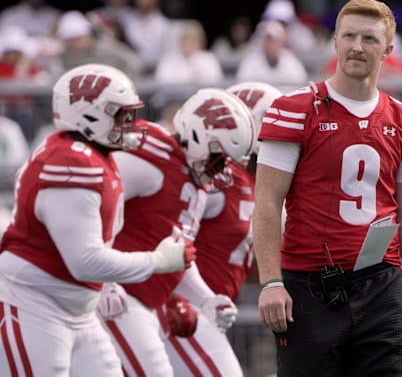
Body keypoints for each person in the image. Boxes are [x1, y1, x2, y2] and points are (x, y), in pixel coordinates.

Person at [252, 0, 402, 376]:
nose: (357, 46)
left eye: (370, 39)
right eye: (349, 36)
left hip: (382, 285)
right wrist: (270, 281)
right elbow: (268, 203)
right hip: (310, 284)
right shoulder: (293, 110)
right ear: (335, 42)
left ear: (388, 49)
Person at [0, 63, 194, 376]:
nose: (130, 124)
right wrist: (156, 261)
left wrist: (109, 284)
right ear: (88, 113)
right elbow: (85, 261)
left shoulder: (96, 156)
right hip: (35, 303)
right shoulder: (71, 161)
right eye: (120, 114)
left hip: (79, 310)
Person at [97, 88, 256, 376]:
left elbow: (178, 256)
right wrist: (104, 281)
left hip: (142, 301)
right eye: (220, 158)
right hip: (114, 295)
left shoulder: (193, 180)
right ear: (197, 135)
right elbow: (95, 207)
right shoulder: (153, 154)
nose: (222, 170)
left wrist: (206, 299)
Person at [236, 20, 308, 91]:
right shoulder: (250, 61)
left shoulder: (291, 61)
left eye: (273, 40)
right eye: (267, 39)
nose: (270, 44)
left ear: (280, 41)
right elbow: (242, 87)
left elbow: (300, 84)